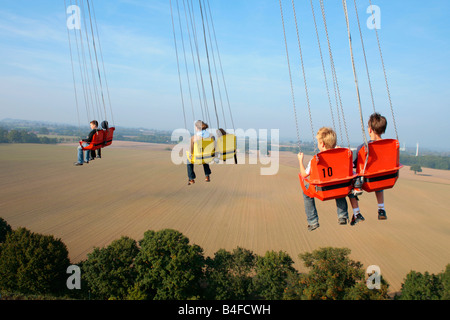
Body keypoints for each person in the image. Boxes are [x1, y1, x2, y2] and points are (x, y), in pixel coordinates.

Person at [297, 127, 350, 231]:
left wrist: (300, 160)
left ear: (322, 144)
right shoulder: (340, 156)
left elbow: (304, 175)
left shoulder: (315, 159)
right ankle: (342, 215)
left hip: (322, 189)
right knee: (340, 187)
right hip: (337, 186)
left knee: (306, 192)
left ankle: (313, 221)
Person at [348, 113, 388, 224]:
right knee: (379, 176)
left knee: (348, 183)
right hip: (383, 178)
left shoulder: (363, 148)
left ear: (369, 130)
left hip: (367, 180)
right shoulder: (389, 145)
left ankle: (356, 213)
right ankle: (381, 209)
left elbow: (355, 165)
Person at [187, 120, 213, 185]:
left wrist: (191, 155)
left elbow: (191, 149)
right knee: (205, 157)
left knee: (188, 161)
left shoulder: (194, 138)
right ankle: (207, 175)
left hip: (197, 157)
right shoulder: (211, 136)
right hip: (207, 156)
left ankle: (191, 178)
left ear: (197, 127)